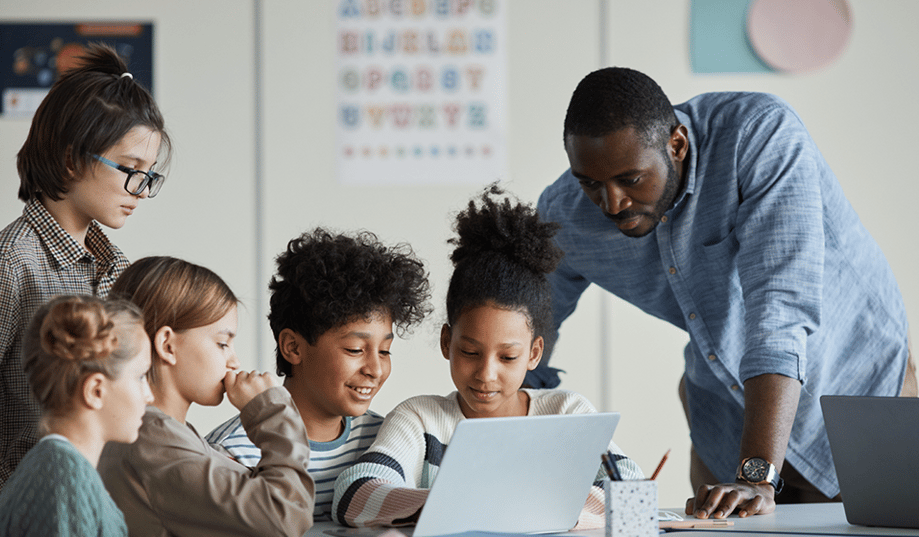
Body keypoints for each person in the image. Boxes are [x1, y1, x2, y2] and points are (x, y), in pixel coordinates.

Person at [534, 66, 915, 519]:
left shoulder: (757, 136)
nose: (612, 203)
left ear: (676, 144)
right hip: (723, 421)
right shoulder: (565, 214)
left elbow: (779, 314)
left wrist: (755, 477)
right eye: (591, 183)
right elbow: (525, 327)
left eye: (631, 179)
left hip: (859, 397)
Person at [331, 185, 643, 529]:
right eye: (469, 352)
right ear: (446, 342)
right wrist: (465, 501)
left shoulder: (567, 415)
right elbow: (355, 494)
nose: (485, 374)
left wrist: (516, 507)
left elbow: (631, 488)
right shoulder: (421, 421)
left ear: (534, 353)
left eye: (508, 357)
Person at [0, 43, 170, 534]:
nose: (140, 190)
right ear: (71, 159)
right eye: (130, 170)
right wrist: (16, 499)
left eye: (150, 176)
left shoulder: (115, 268)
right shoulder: (7, 266)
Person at [207, 228, 432, 521]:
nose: (375, 369)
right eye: (354, 349)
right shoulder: (233, 452)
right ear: (293, 347)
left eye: (385, 351)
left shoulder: (387, 442)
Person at [97, 256, 314, 537]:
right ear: (167, 345)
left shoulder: (163, 433)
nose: (234, 361)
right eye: (222, 343)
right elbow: (284, 516)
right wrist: (271, 411)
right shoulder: (152, 440)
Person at [0, 295, 153, 537]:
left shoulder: (57, 469)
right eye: (140, 376)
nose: (148, 396)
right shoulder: (66, 480)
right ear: (96, 390)